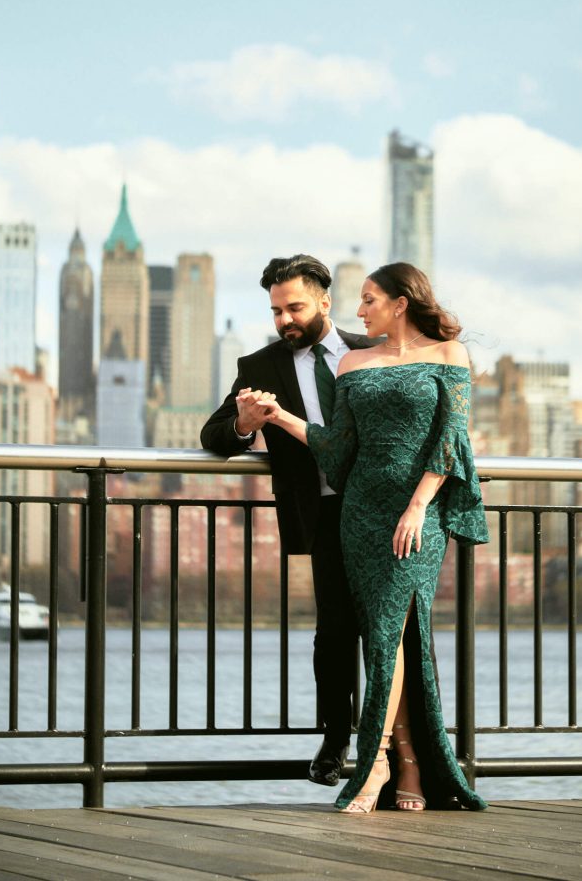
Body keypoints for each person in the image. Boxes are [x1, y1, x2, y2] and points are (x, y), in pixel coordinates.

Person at [247, 262, 489, 813]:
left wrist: (418, 507)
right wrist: (279, 416)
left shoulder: (450, 356)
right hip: (360, 515)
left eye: (369, 300)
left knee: (386, 638)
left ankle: (374, 762)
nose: (359, 311)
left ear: (401, 303)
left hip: (416, 517)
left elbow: (452, 442)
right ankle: (405, 765)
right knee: (393, 640)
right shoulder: (355, 362)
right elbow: (337, 449)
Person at [200, 254, 374, 787]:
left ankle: (392, 744)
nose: (285, 321)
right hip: (320, 511)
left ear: (325, 299)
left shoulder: (373, 351)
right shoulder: (260, 366)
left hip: (381, 509)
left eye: (294, 307)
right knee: (335, 630)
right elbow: (214, 436)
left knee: (390, 630)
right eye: (276, 311)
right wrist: (244, 424)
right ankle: (337, 738)